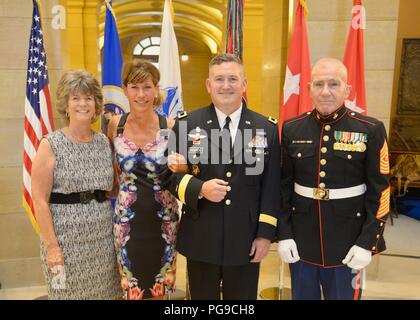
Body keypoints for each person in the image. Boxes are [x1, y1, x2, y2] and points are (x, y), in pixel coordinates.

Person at [167, 53, 281, 300]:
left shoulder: (266, 129)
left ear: (244, 84)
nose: (226, 85)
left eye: (233, 78)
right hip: (201, 238)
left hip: (246, 239)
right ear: (209, 85)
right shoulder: (186, 125)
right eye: (219, 79)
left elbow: (271, 187)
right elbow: (169, 177)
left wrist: (265, 234)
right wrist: (199, 188)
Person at [277, 58, 390, 300]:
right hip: (302, 240)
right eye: (318, 84)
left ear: (347, 89)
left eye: (333, 84)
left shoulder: (370, 129)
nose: (325, 91)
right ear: (308, 88)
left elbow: (380, 191)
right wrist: (284, 234)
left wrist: (367, 241)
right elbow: (283, 187)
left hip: (349, 242)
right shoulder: (292, 128)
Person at [32, 69, 121, 300]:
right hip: (64, 242)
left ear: (96, 104)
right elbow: (39, 200)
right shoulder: (51, 144)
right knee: (64, 294)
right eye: (76, 98)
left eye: (88, 97)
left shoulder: (103, 142)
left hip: (102, 241)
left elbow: (113, 188)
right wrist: (52, 247)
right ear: (66, 104)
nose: (83, 103)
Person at [107, 59, 187, 300]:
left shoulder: (172, 126)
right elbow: (113, 173)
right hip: (127, 223)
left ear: (156, 89)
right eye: (134, 87)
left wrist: (181, 166)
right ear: (125, 90)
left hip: (163, 223)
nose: (141, 94)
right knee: (132, 292)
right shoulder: (114, 126)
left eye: (147, 87)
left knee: (158, 291)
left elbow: (185, 173)